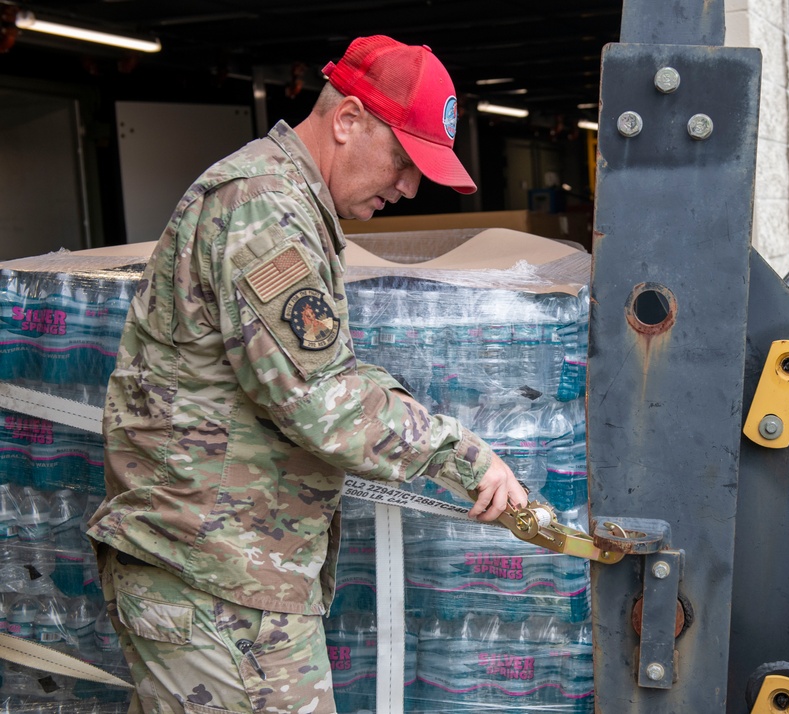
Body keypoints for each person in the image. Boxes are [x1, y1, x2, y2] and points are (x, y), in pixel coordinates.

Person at [87, 34, 528, 714]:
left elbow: (323, 368)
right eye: (405, 161)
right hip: (211, 580)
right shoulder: (263, 206)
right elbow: (320, 398)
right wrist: (464, 456)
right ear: (347, 121)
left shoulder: (286, 202)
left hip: (229, 574)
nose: (409, 187)